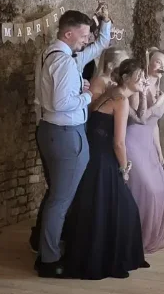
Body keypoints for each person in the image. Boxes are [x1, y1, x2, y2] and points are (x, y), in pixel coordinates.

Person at [33, 9, 111, 277]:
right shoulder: (65, 63)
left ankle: (43, 245)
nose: (87, 40)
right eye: (84, 34)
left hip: (49, 131)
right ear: (69, 33)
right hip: (66, 134)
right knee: (60, 199)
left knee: (56, 194)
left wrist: (105, 23)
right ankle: (49, 259)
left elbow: (99, 46)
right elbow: (61, 103)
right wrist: (90, 95)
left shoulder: (53, 54)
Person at [62, 58, 150, 280]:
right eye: (138, 76)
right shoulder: (120, 100)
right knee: (126, 209)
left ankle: (107, 255)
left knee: (100, 209)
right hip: (103, 160)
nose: (142, 80)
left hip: (92, 157)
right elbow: (118, 143)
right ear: (125, 78)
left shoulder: (111, 93)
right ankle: (113, 259)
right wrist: (125, 168)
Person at [126, 48, 164, 254]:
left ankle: (153, 235)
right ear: (148, 63)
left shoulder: (159, 86)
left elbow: (155, 125)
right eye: (158, 62)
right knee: (148, 190)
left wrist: (159, 151)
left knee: (163, 189)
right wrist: (159, 102)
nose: (162, 67)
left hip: (148, 144)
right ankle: (136, 237)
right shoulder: (138, 86)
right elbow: (139, 117)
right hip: (133, 141)